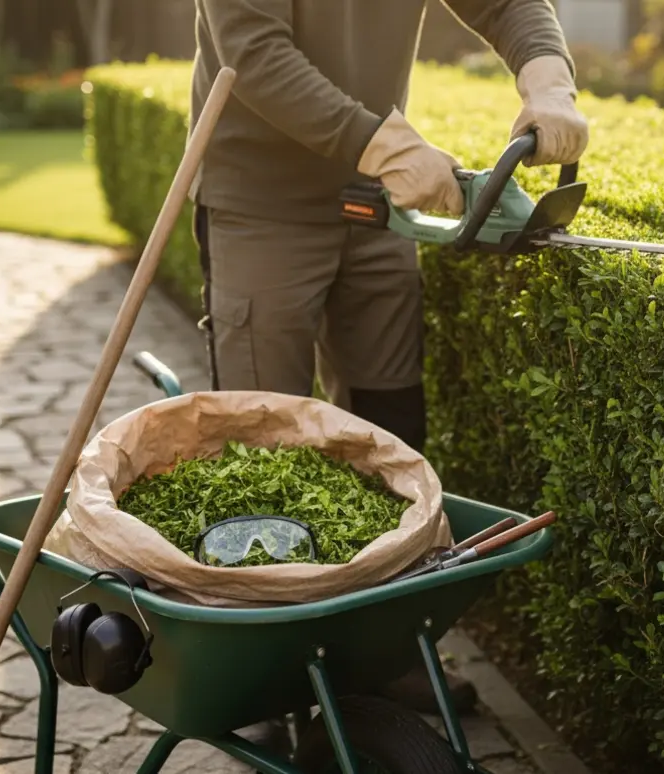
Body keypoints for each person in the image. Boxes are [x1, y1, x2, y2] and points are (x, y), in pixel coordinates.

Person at [185, 0, 589, 716]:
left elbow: (506, 4)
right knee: (264, 443)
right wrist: (385, 144)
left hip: (371, 200)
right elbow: (252, 49)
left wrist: (549, 80)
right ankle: (272, 680)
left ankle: (384, 652)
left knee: (392, 427)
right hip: (261, 200)